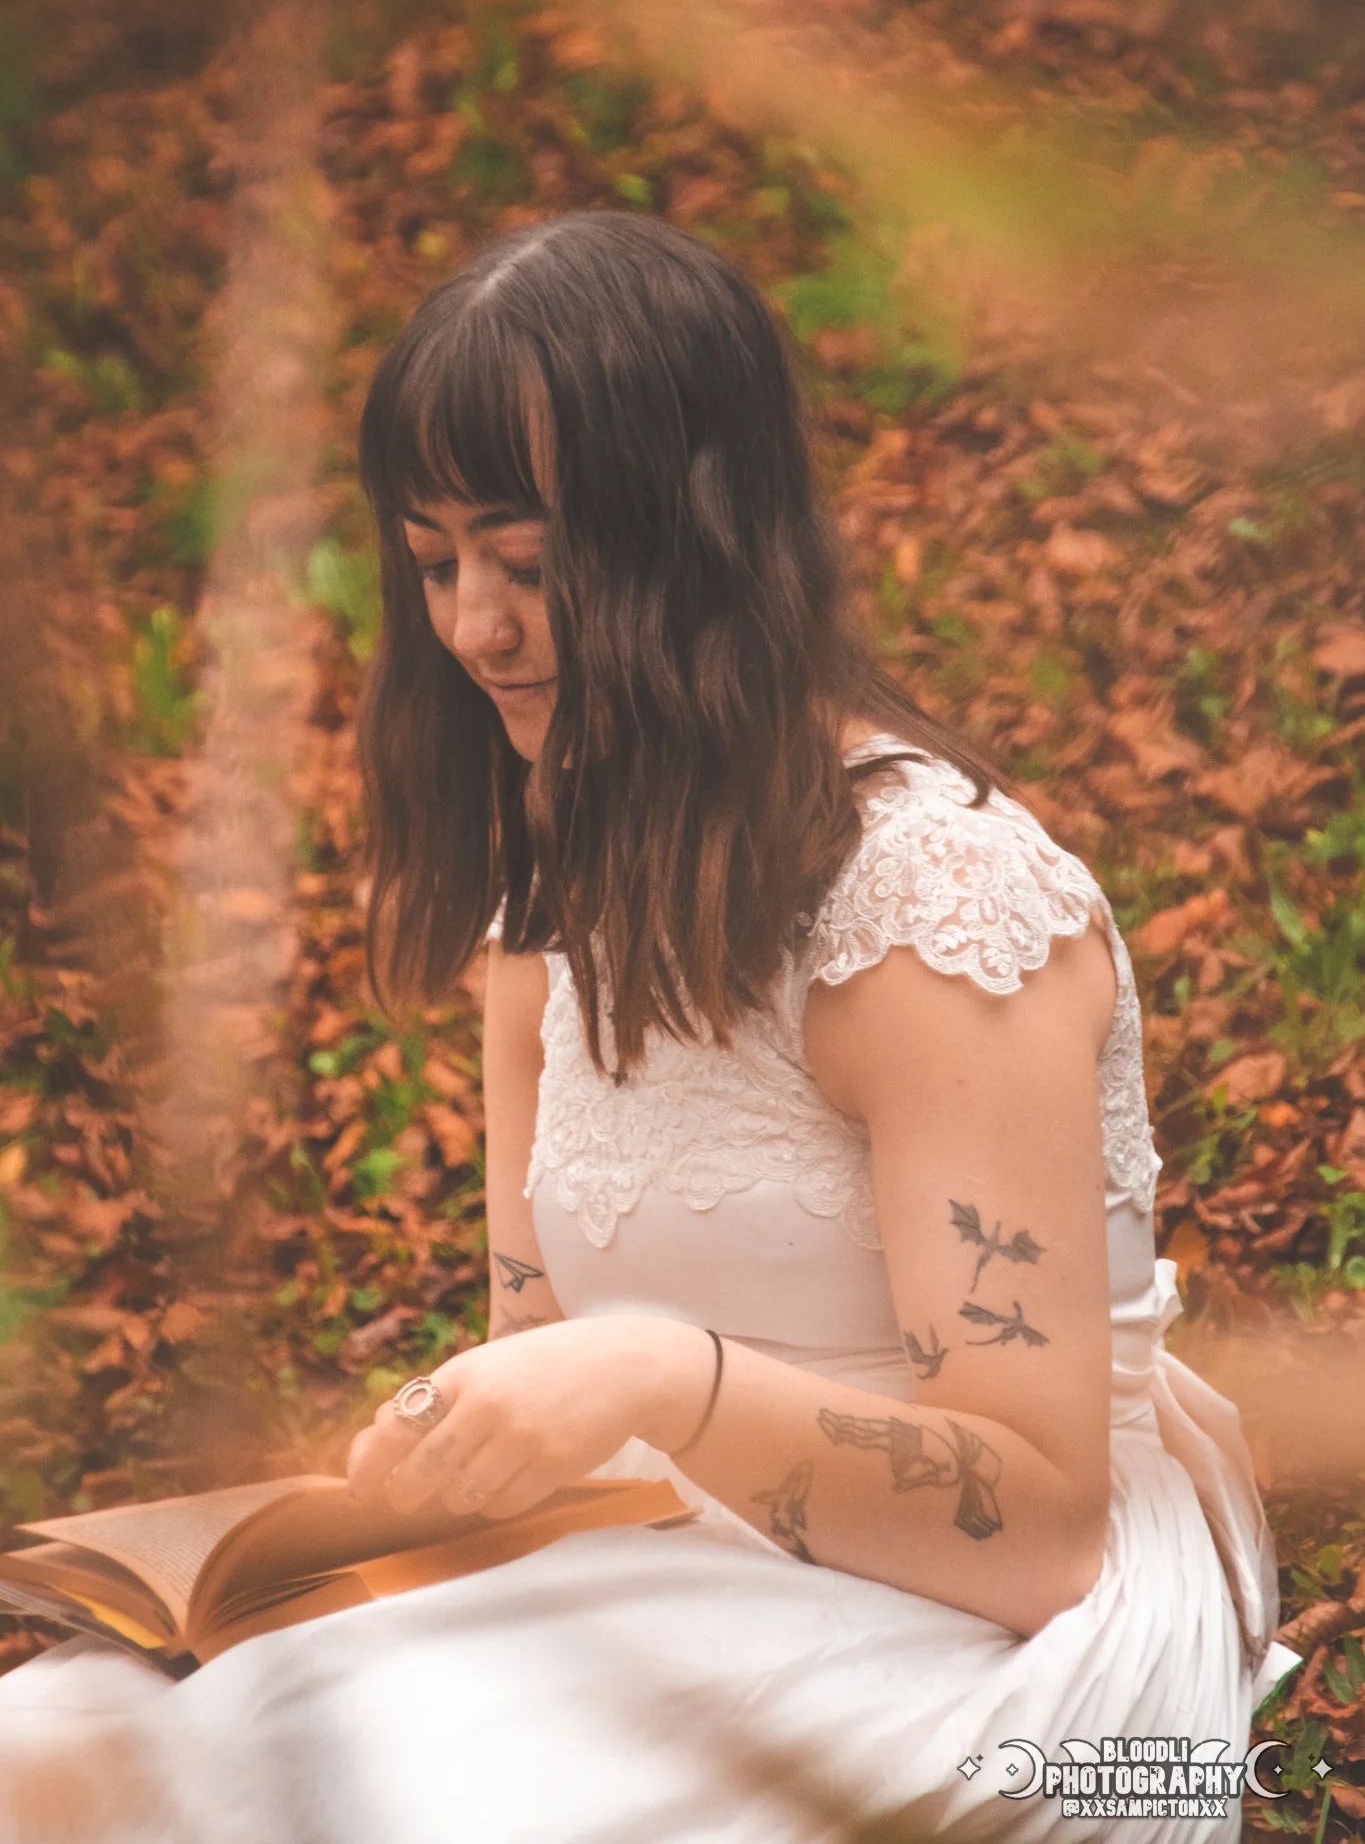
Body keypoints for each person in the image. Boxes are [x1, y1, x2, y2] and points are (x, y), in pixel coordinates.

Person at [0, 210, 1296, 1843]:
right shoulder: (551, 892)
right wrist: (418, 1472)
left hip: (980, 1642)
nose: (474, 629)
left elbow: (1043, 1538)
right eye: (436, 564)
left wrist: (662, 1380)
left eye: (532, 567)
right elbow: (543, 1350)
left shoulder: (935, 911)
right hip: (654, 1554)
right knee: (55, 1754)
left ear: (696, 540)